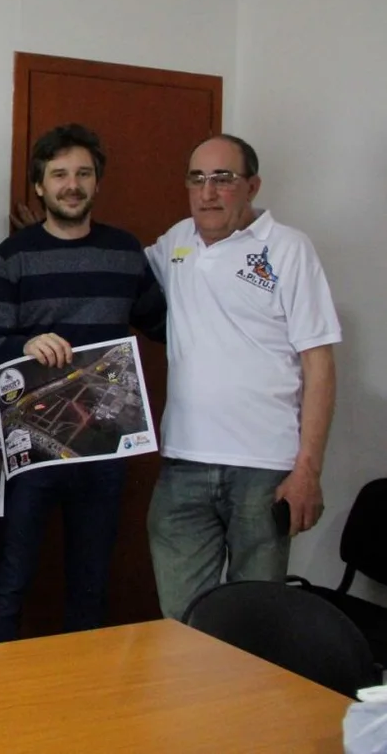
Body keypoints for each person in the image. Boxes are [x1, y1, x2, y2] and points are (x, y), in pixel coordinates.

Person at [0, 124, 165, 644]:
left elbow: (166, 325)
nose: (71, 184)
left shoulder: (126, 253)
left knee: (91, 581)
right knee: (10, 579)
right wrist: (23, 347)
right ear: (39, 186)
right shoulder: (13, 256)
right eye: (59, 175)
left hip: (104, 447)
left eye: (82, 173)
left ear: (97, 183)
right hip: (29, 445)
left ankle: (86, 697)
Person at [145, 135, 339, 620]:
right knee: (181, 623)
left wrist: (307, 471)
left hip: (264, 471)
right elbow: (113, 276)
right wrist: (48, 239)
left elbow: (320, 366)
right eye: (198, 178)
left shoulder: (289, 250)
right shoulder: (176, 243)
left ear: (251, 185)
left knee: (253, 627)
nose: (208, 192)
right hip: (182, 468)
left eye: (223, 179)